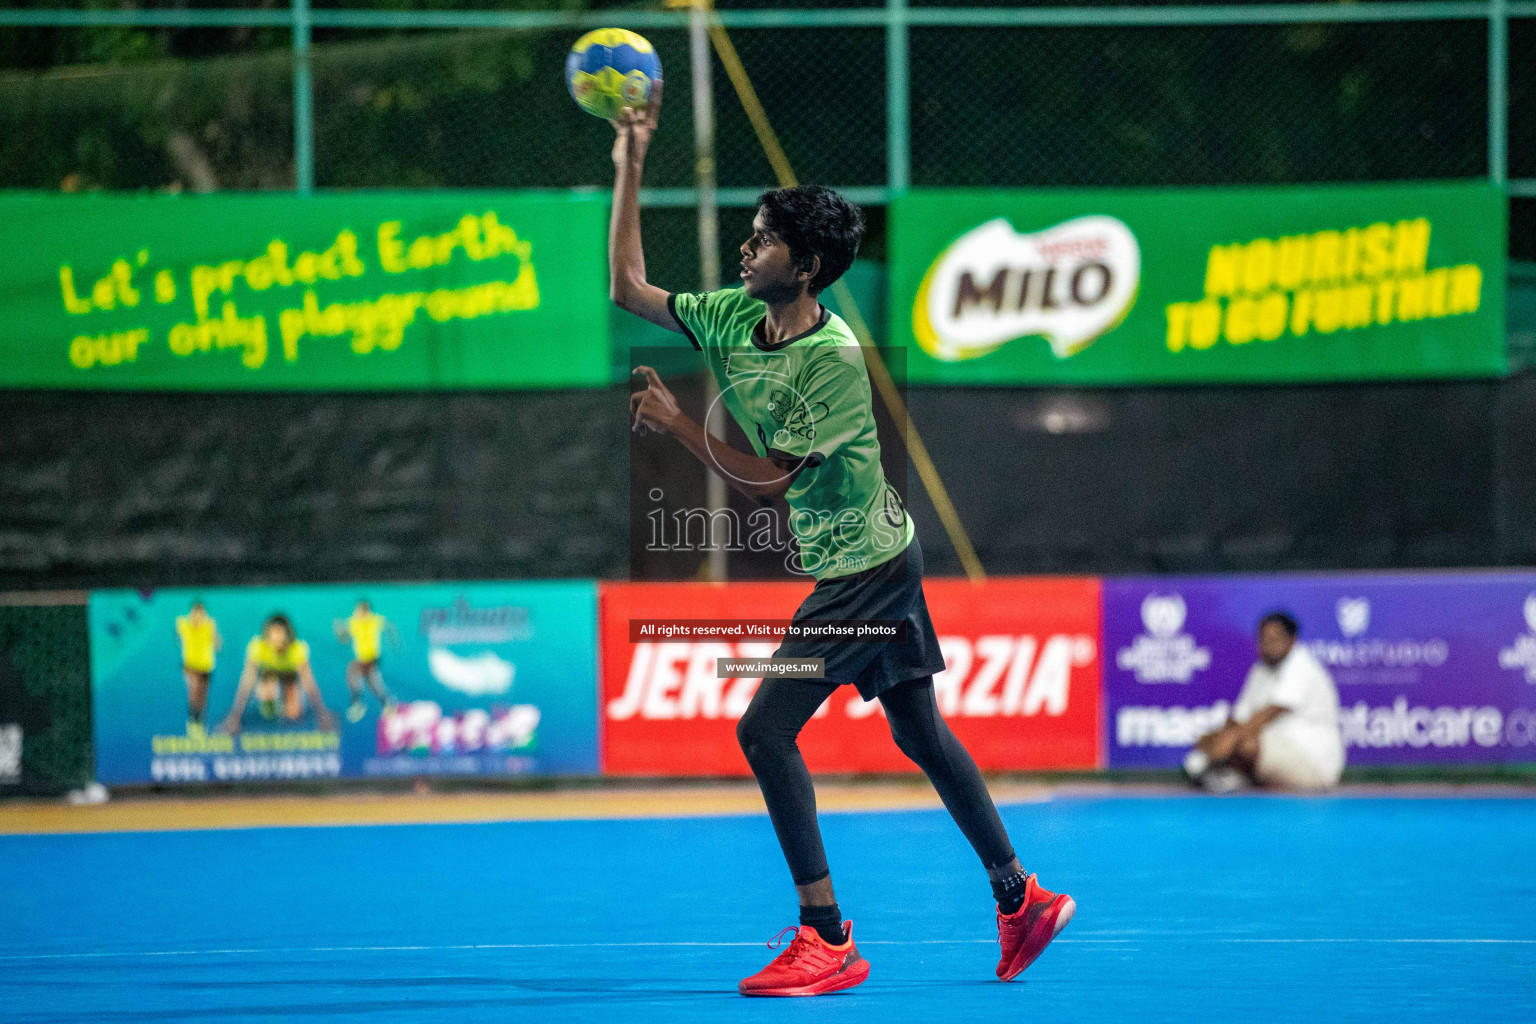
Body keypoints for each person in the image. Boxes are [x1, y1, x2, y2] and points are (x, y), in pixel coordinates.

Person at [611, 84, 1074, 997]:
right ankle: (1020, 898)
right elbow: (627, 287)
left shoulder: (829, 361)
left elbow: (769, 479)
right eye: (749, 234)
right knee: (919, 729)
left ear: (810, 265)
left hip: (863, 572)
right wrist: (629, 167)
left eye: (765, 240)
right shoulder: (731, 316)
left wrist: (676, 423)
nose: (748, 247)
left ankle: (826, 936)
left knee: (763, 728)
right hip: (875, 560)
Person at [1184, 612, 1345, 793]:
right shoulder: (1260, 670)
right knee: (1214, 738)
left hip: (1314, 766)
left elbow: (1268, 714)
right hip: (1277, 752)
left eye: (1275, 639)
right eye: (1264, 639)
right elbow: (1239, 717)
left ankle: (1234, 776)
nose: (1268, 645)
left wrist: (1228, 741)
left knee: (1245, 742)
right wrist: (1216, 738)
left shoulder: (1302, 667)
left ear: (1292, 640)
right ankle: (1232, 777)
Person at [219, 614, 336, 734]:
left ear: (288, 635)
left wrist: (322, 714)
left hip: (290, 677)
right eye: (273, 633)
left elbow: (309, 683)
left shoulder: (297, 649)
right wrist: (234, 717)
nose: (277, 638)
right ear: (267, 635)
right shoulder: (257, 647)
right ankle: (271, 698)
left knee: (293, 714)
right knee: (269, 712)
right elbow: (246, 683)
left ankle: (288, 700)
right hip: (268, 676)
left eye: (280, 633)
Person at [334, 599, 396, 723]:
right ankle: (384, 702)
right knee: (371, 682)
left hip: (373, 657)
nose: (356, 613)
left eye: (359, 610)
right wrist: (339, 631)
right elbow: (344, 640)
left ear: (365, 611)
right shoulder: (353, 622)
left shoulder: (375, 620)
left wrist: (393, 642)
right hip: (361, 658)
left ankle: (358, 703)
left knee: (354, 670)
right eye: (356, 610)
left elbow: (389, 626)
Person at [175, 601, 222, 733]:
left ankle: (199, 723)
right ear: (191, 613)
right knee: (194, 689)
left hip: (206, 666)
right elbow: (177, 636)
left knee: (202, 695)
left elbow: (218, 646)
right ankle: (193, 719)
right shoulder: (183, 624)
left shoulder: (209, 626)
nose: (198, 616)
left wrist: (214, 633)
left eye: (201, 614)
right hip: (190, 665)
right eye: (195, 613)